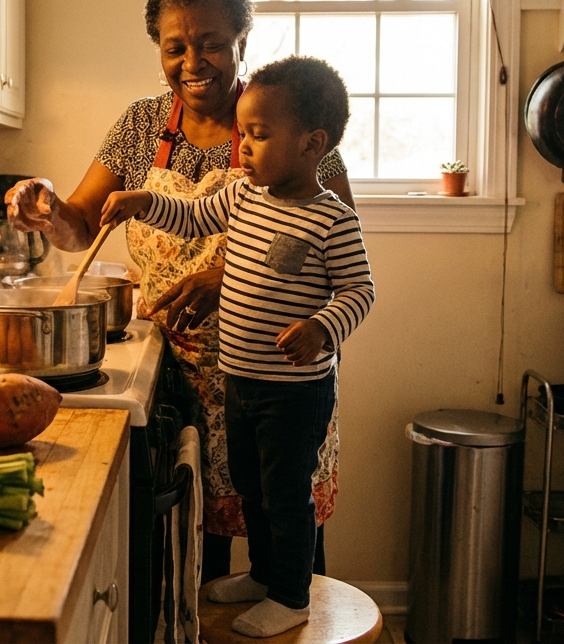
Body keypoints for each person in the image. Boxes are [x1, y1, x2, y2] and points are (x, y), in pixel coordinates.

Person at [6, 0, 355, 579]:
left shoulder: (288, 123)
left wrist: (227, 276)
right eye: (176, 47)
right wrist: (46, 207)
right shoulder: (141, 127)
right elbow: (84, 226)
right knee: (198, 556)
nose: (193, 62)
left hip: (279, 377)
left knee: (286, 530)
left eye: (212, 43)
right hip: (180, 378)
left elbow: (333, 250)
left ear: (243, 41)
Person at [102, 56, 374, 638]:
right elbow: (193, 215)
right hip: (240, 381)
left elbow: (360, 290)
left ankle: (292, 595)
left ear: (312, 144)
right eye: (242, 134)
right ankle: (262, 574)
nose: (243, 148)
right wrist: (142, 202)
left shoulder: (332, 221)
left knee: (285, 496)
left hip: (295, 393)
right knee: (251, 486)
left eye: (258, 135)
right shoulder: (246, 197)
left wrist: (323, 327)